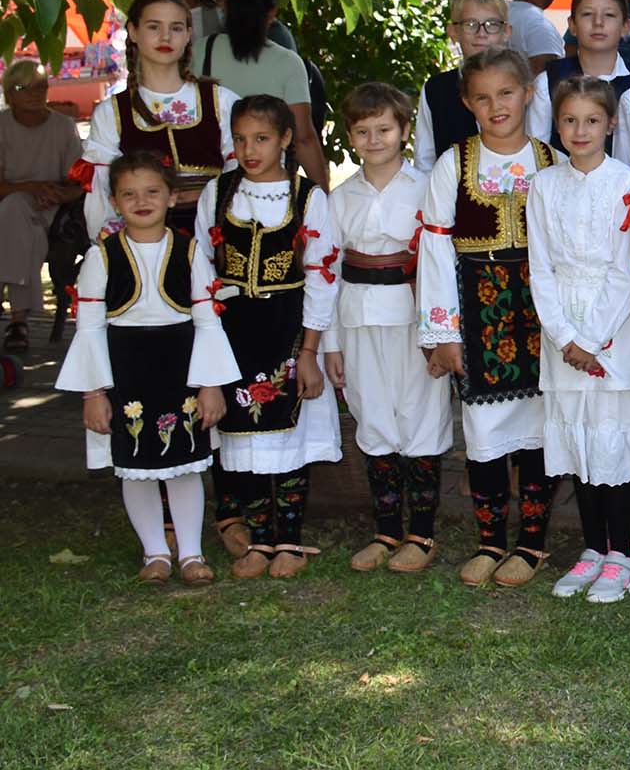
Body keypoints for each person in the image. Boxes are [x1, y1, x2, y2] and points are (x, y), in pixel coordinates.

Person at [56, 152, 237, 584]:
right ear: (114, 202)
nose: (142, 201)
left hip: (180, 373)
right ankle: (155, 552)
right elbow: (89, 328)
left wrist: (210, 384)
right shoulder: (101, 257)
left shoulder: (190, 252)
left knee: (186, 463)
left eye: (153, 191)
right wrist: (94, 392)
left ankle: (191, 554)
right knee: (134, 464)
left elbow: (207, 321)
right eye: (129, 194)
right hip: (126, 374)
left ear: (172, 197)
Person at [417, 47, 558, 589]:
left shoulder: (552, 161)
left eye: (506, 93)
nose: (496, 105)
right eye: (483, 97)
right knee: (484, 429)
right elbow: (435, 252)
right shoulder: (452, 164)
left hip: (540, 313)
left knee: (539, 428)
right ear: (466, 103)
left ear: (528, 94)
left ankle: (532, 543)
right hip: (478, 310)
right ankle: (490, 540)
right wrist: (442, 332)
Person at [530, 76, 630, 604]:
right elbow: (540, 268)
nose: (579, 130)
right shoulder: (543, 185)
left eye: (591, 120)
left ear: (611, 124)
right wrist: (565, 335)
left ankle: (623, 554)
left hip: (613, 328)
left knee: (610, 440)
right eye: (569, 120)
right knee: (579, 439)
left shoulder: (627, 184)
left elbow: (626, 271)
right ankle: (592, 547)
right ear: (557, 125)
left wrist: (591, 339)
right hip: (562, 329)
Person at [196, 95, 341, 581]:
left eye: (261, 139)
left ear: (285, 139)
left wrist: (309, 351)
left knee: (289, 433)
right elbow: (201, 269)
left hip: (287, 328)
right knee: (242, 435)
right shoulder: (219, 193)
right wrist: (208, 340)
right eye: (240, 139)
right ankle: (259, 539)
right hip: (233, 331)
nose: (249, 150)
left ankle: (290, 540)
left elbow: (322, 276)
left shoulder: (308, 198)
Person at [324, 84, 450, 575]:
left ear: (404, 129)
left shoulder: (426, 186)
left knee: (421, 415)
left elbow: (440, 262)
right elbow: (327, 272)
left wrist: (441, 334)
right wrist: (330, 343)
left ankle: (422, 532)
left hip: (415, 318)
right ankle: (386, 530)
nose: (374, 140)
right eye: (362, 131)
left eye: (384, 129)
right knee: (372, 416)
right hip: (357, 318)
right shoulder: (339, 198)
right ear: (350, 136)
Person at [82, 0, 239, 239]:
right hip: (143, 240)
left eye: (176, 28)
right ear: (133, 31)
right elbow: (101, 190)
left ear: (188, 34)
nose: (165, 36)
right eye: (154, 27)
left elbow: (242, 171)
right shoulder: (111, 113)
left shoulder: (222, 101)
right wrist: (114, 248)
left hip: (216, 234)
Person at [197, 0, 328, 190]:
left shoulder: (201, 50)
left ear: (225, 8)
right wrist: (322, 195)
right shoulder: (289, 63)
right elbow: (304, 138)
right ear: (272, 12)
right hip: (271, 187)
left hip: (210, 184)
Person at [0, 59, 84, 350]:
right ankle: (18, 321)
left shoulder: (63, 127)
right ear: (9, 94)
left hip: (53, 211)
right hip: (9, 208)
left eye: (41, 87)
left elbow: (80, 183)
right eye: (24, 88)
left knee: (17, 217)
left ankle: (18, 320)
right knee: (17, 213)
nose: (35, 93)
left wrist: (58, 195)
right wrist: (29, 188)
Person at [526, 0, 630, 166]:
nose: (598, 22)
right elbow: (536, 154)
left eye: (609, 15)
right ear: (572, 25)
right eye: (587, 14)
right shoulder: (548, 82)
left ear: (626, 27)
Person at [416, 0, 512, 172]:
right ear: (453, 32)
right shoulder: (436, 90)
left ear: (506, 32)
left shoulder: (522, 87)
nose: (481, 34)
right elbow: (425, 160)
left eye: (492, 24)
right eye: (470, 24)